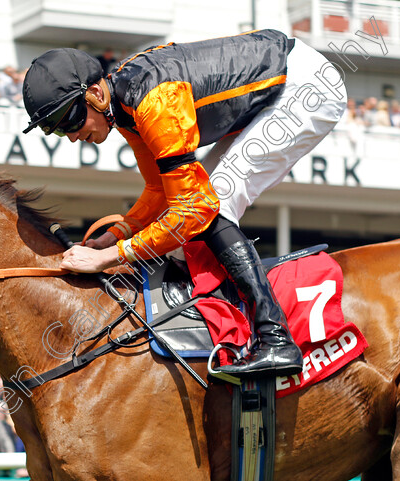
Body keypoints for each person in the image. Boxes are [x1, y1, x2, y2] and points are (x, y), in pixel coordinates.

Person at [21, 30, 346, 377]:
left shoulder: (152, 103)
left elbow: (194, 209)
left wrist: (105, 258)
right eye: (55, 130)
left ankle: (275, 338)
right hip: (279, 84)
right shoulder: (124, 108)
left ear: (96, 94)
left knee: (212, 203)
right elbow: (159, 191)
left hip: (304, 88)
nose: (71, 136)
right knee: (200, 200)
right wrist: (116, 234)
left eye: (69, 120)